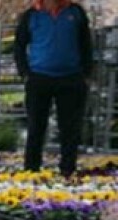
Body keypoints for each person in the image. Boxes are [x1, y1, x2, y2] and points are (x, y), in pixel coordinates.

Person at [14, 0, 93, 178]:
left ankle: (67, 170)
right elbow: (19, 46)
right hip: (39, 78)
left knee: (70, 128)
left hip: (71, 78)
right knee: (36, 126)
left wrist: (86, 75)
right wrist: (25, 73)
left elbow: (86, 44)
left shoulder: (76, 12)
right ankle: (31, 169)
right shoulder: (31, 15)